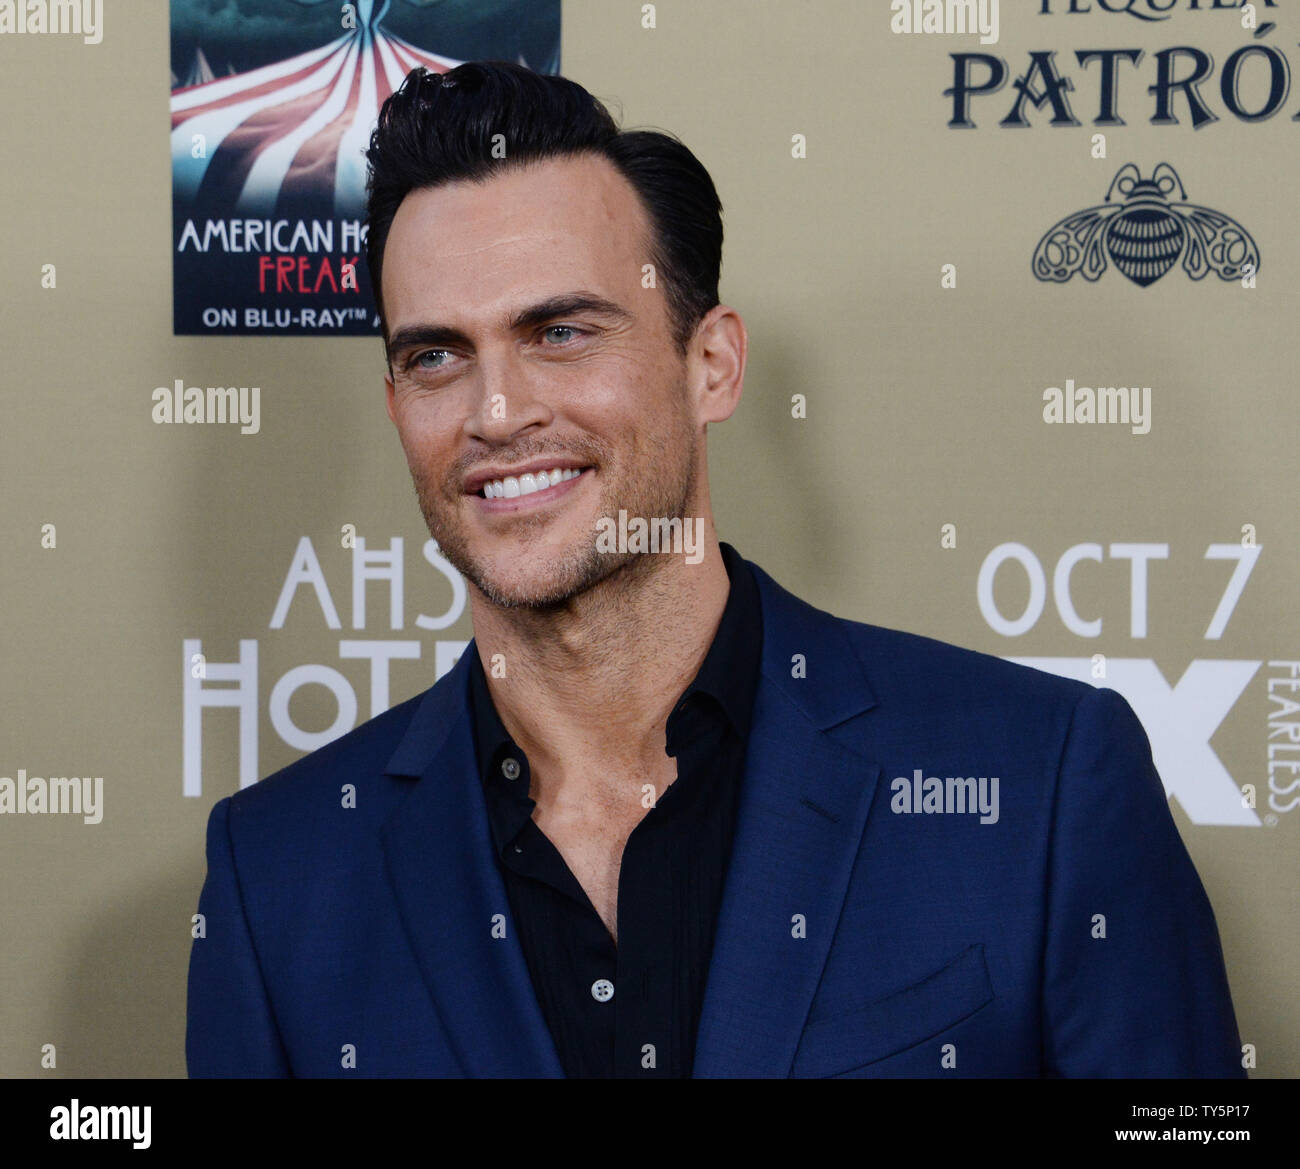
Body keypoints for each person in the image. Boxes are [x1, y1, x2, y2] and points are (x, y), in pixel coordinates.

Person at [186, 60, 1244, 1078]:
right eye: (435, 356)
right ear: (396, 405)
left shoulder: (1041, 783)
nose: (495, 413)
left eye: (559, 331)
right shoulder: (278, 878)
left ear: (712, 366)